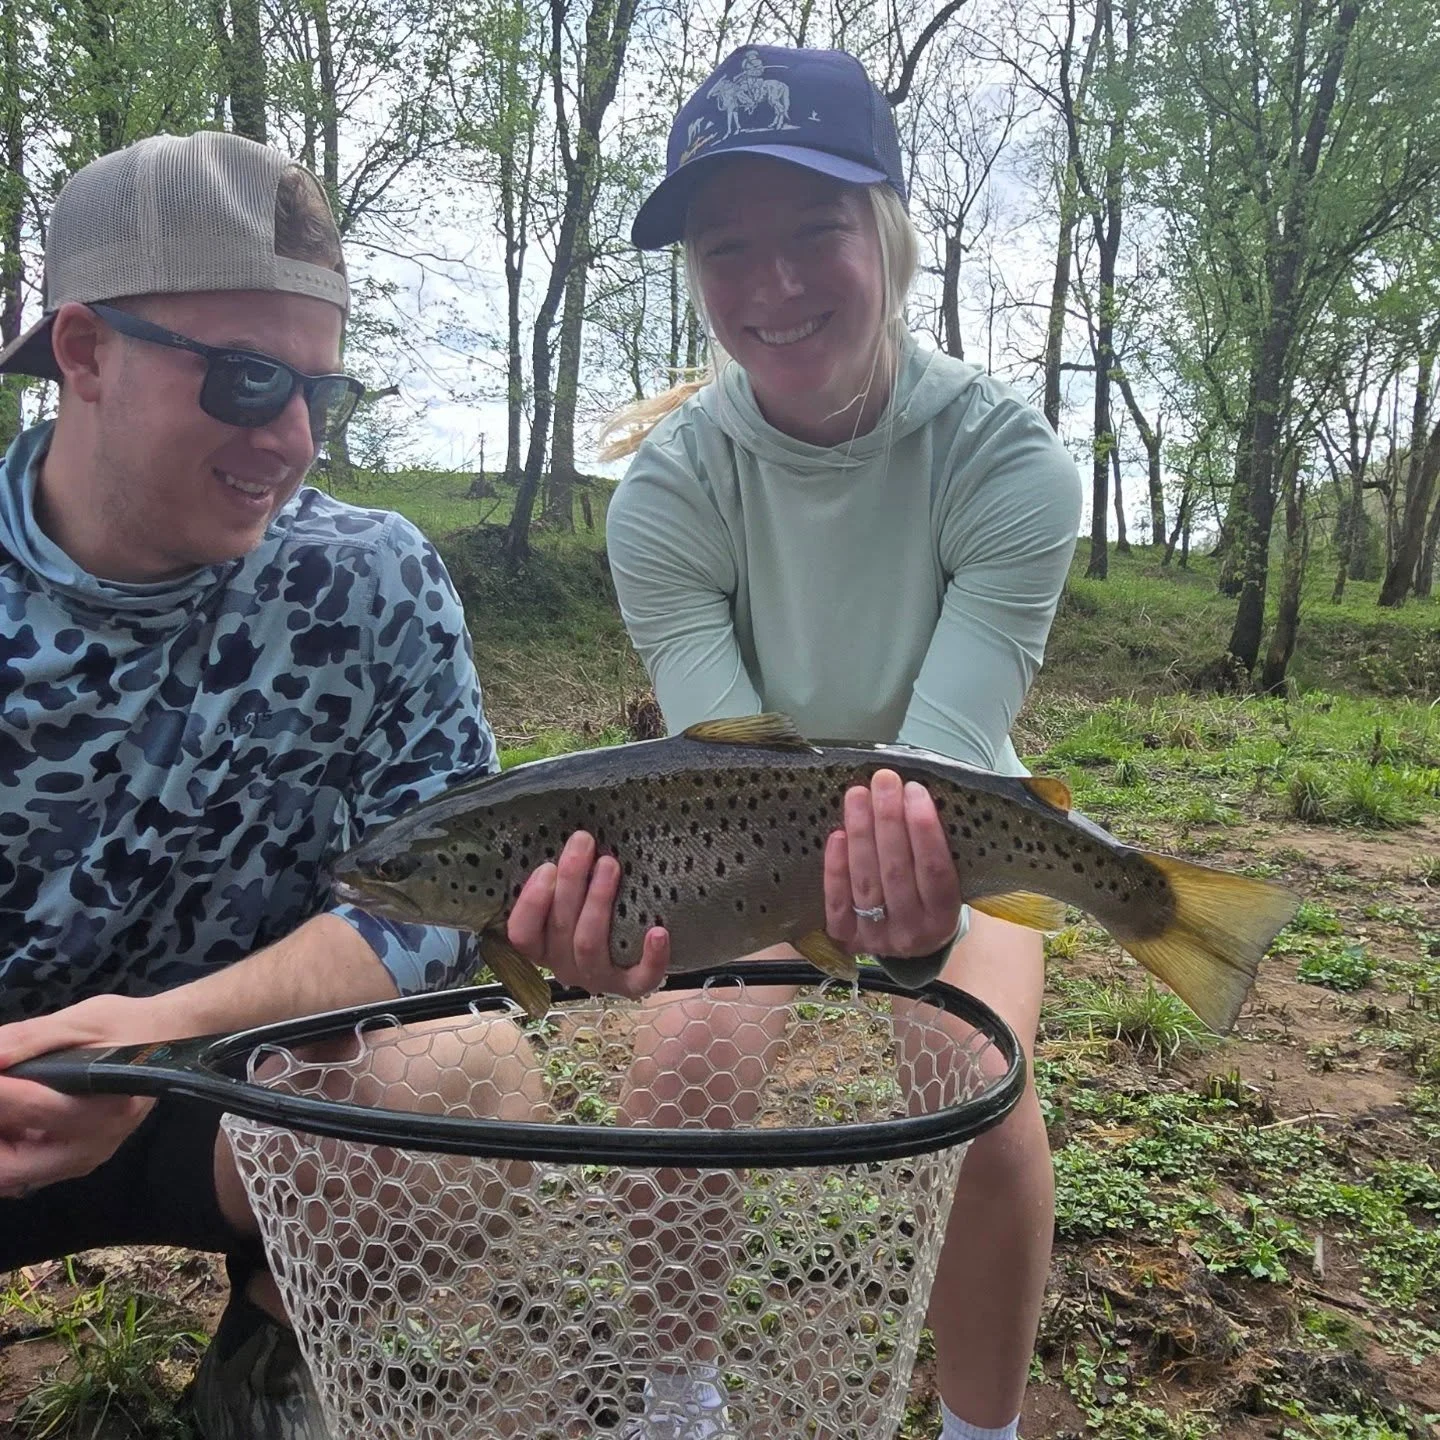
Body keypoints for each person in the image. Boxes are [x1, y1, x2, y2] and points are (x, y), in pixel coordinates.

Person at [509, 44, 1083, 1440]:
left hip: (960, 827)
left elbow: (943, 765)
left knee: (976, 1095)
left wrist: (906, 909)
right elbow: (722, 758)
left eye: (815, 232)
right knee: (672, 1081)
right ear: (695, 273)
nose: (773, 287)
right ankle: (679, 1397)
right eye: (728, 249)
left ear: (885, 226)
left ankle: (979, 1429)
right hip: (747, 844)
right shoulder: (665, 501)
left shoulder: (1007, 465)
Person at [0, 130, 516, 1440]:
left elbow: (438, 901)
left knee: (480, 1081)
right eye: (242, 380)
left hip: (234, 1093)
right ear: (83, 351)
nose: (288, 439)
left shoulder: (373, 580)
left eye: (317, 395)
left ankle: (271, 1352)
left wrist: (162, 1039)